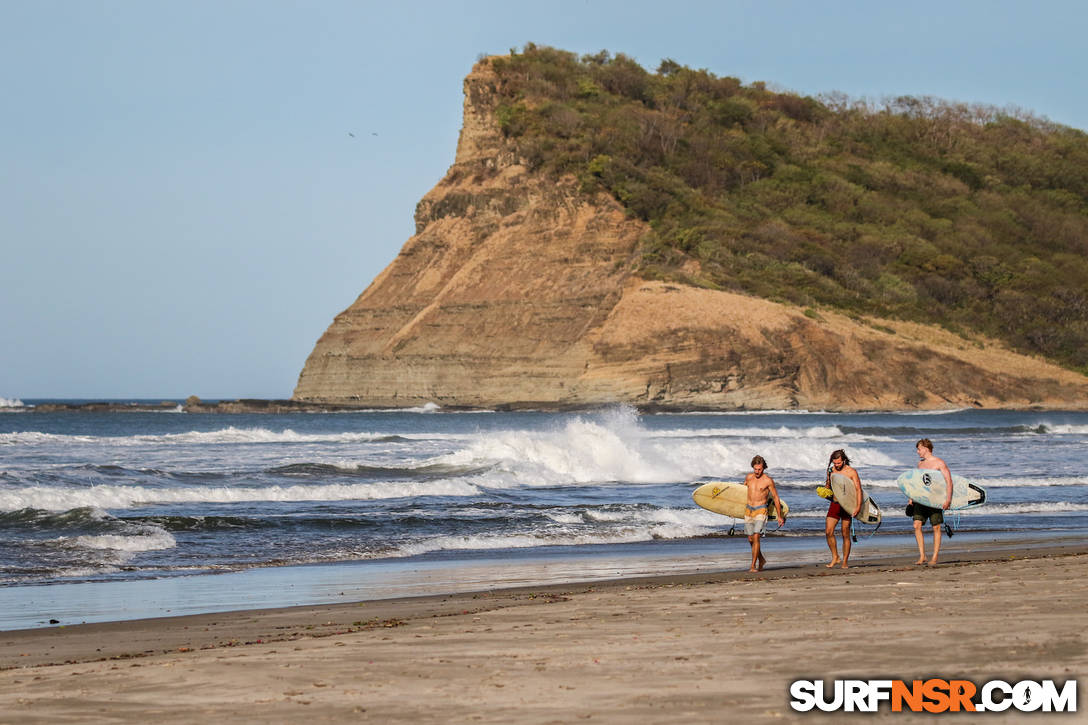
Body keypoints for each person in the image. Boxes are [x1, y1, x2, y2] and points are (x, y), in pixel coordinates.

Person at [912, 438, 953, 566]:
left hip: (935, 499)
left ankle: (934, 557)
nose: (918, 452)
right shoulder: (920, 464)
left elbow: (949, 481)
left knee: (936, 527)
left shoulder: (939, 463)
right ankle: (922, 556)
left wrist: (948, 499)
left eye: (919, 449)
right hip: (921, 499)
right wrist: (911, 497)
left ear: (926, 448)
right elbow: (917, 482)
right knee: (916, 525)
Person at [743, 455, 786, 572]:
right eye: (755, 469)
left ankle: (752, 566)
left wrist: (780, 516)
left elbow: (776, 498)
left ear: (763, 468)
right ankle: (761, 559)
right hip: (748, 510)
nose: (757, 472)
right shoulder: (749, 478)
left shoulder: (768, 481)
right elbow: (740, 494)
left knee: (756, 536)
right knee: (750, 539)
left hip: (761, 510)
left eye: (759, 469)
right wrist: (731, 510)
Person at [824, 449, 863, 569]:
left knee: (845, 533)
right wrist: (824, 490)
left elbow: (858, 490)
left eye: (839, 463)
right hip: (835, 503)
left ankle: (845, 562)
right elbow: (829, 486)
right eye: (834, 463)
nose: (836, 465)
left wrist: (858, 506)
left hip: (848, 505)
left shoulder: (851, 472)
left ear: (844, 460)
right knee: (828, 531)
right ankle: (835, 557)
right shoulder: (831, 471)